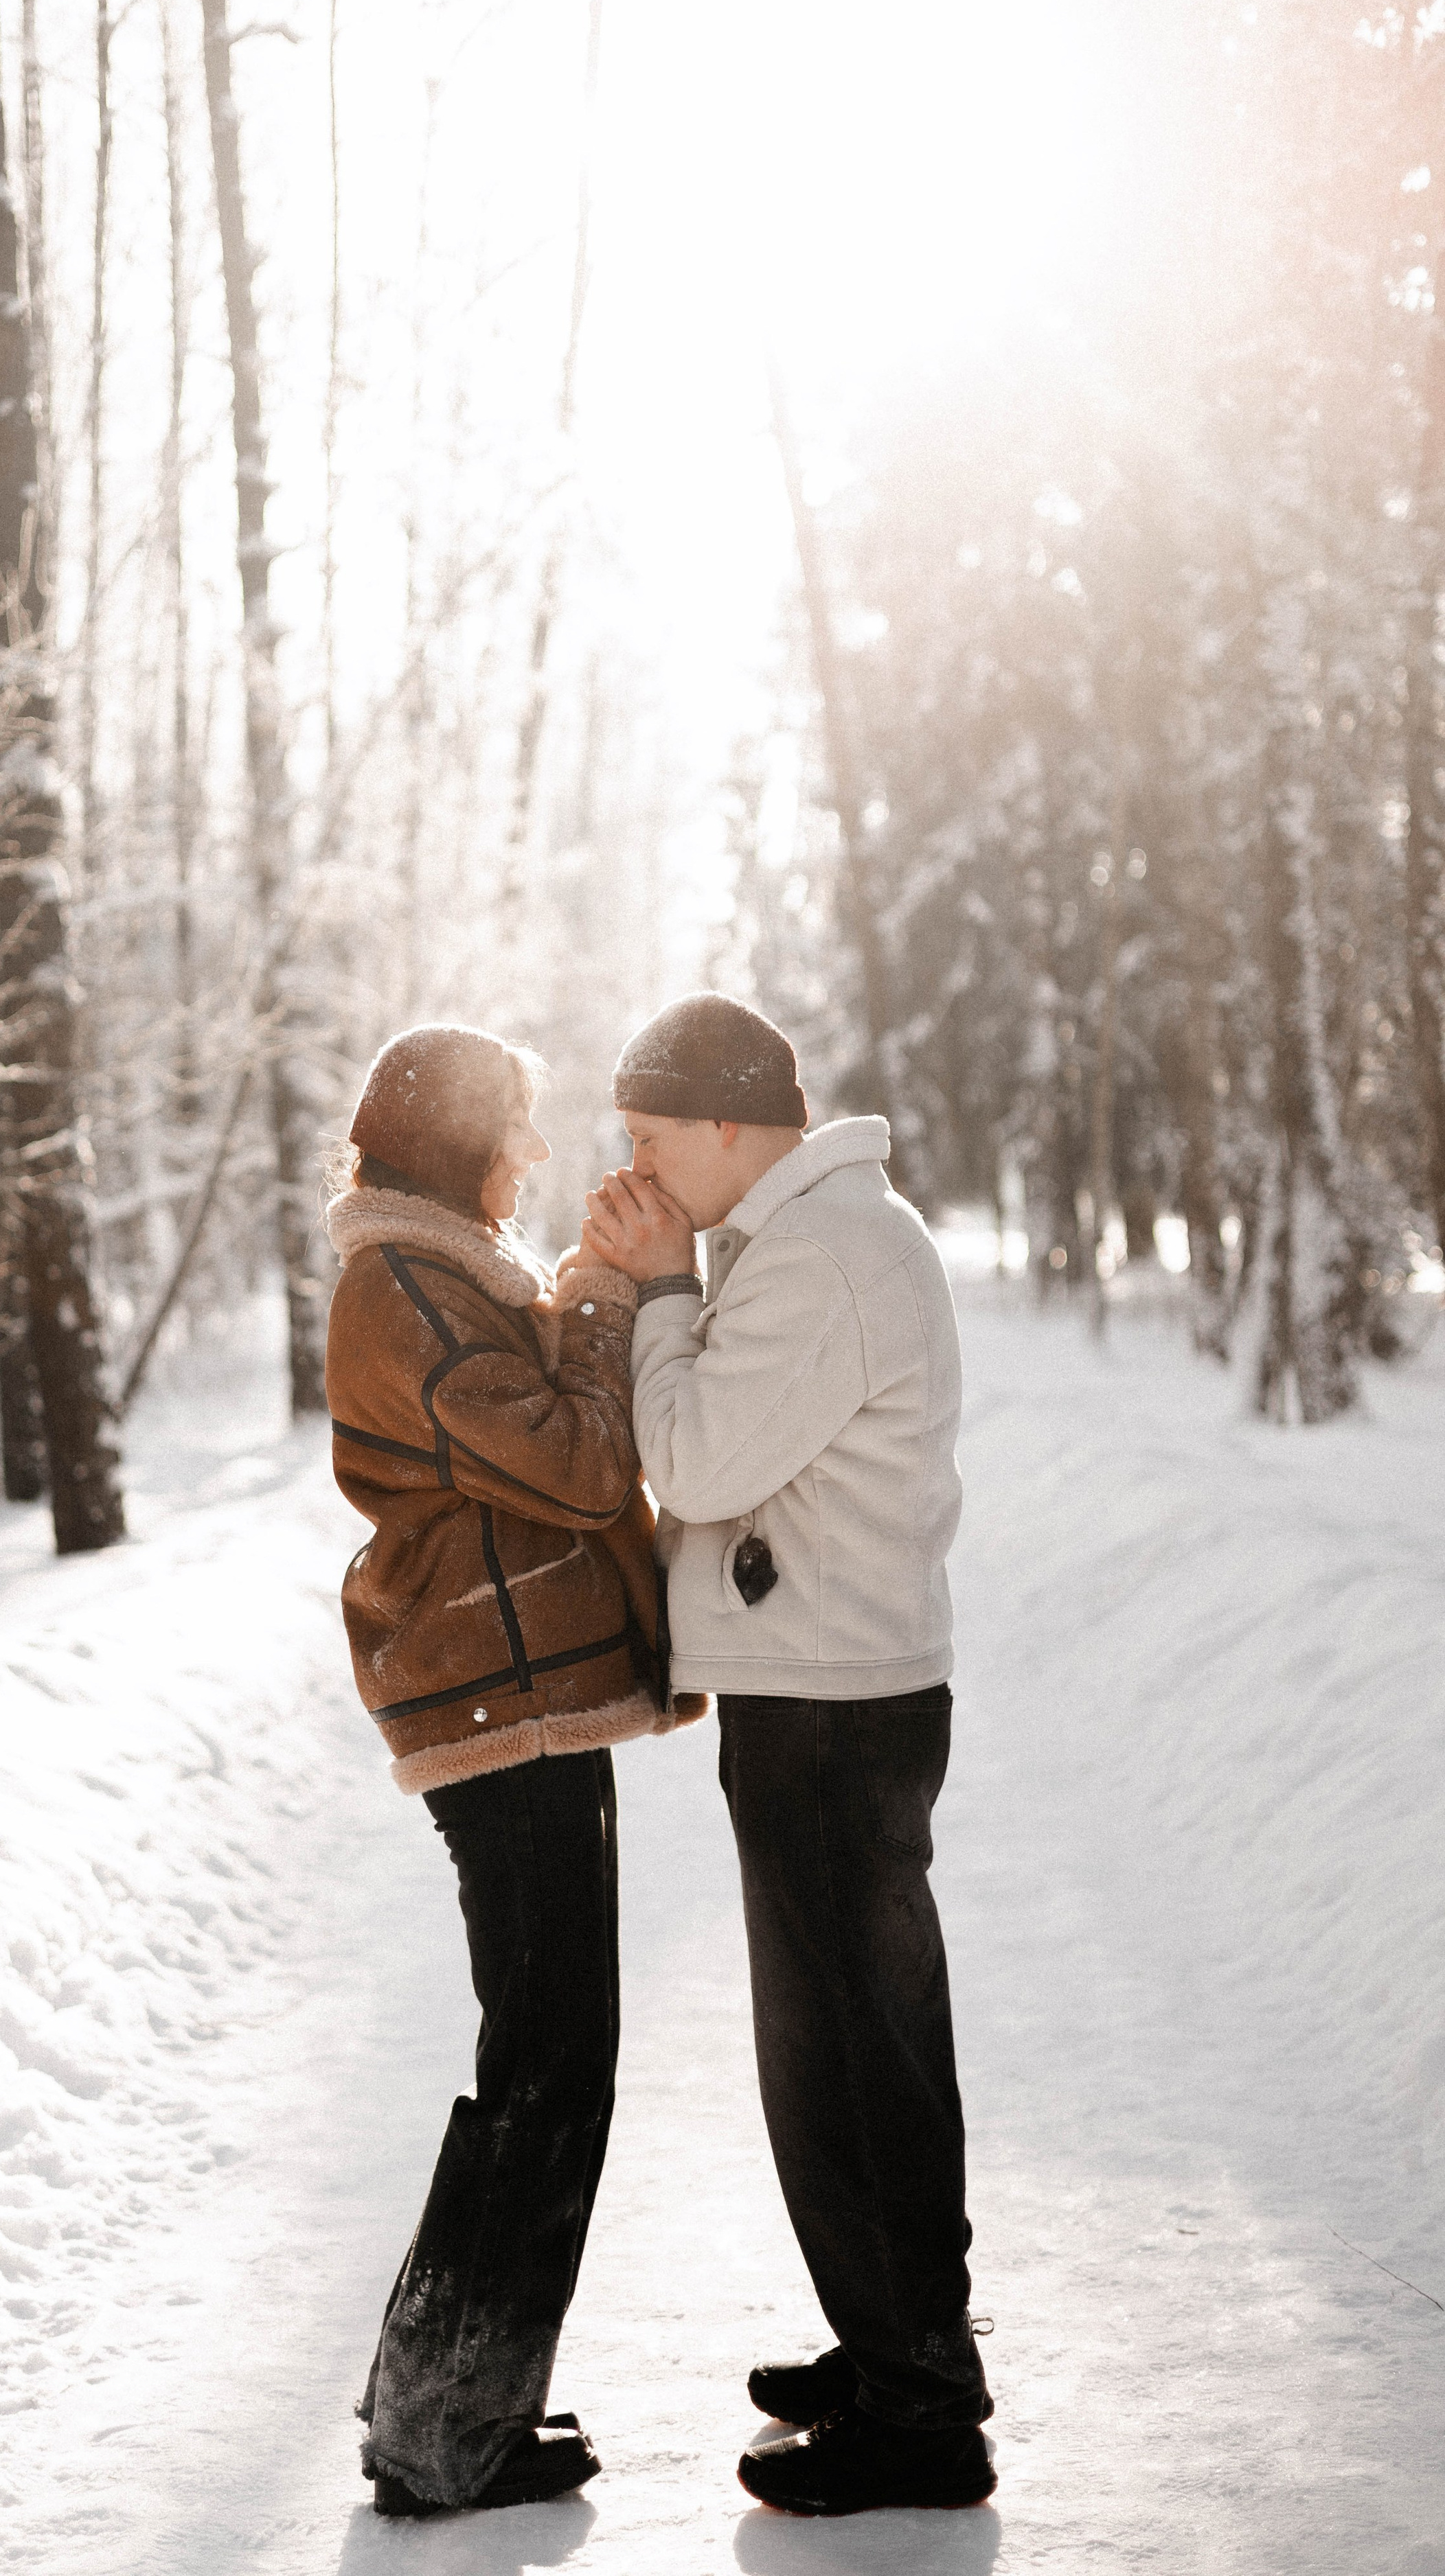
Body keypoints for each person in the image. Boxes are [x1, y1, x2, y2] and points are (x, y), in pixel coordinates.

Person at [580, 991, 996, 2518]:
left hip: (829, 1708)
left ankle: (919, 2410)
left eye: (647, 1135)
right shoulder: (813, 1234)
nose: (634, 1164)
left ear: (723, 1121)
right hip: (827, 1689)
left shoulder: (817, 1252)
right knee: (857, 2043)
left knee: (845, 2060)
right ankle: (894, 2344)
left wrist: (657, 1290)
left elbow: (694, 1459)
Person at [324, 1022, 706, 2520]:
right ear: (452, 1145)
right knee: (548, 2058)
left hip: (520, 1696)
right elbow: (578, 1463)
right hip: (500, 1705)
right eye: (514, 1130)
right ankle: (444, 2429)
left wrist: (578, 1294)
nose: (534, 1156)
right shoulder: (403, 1289)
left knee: (548, 2050)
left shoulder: (439, 1275)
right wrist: (602, 1298)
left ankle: (445, 2404)